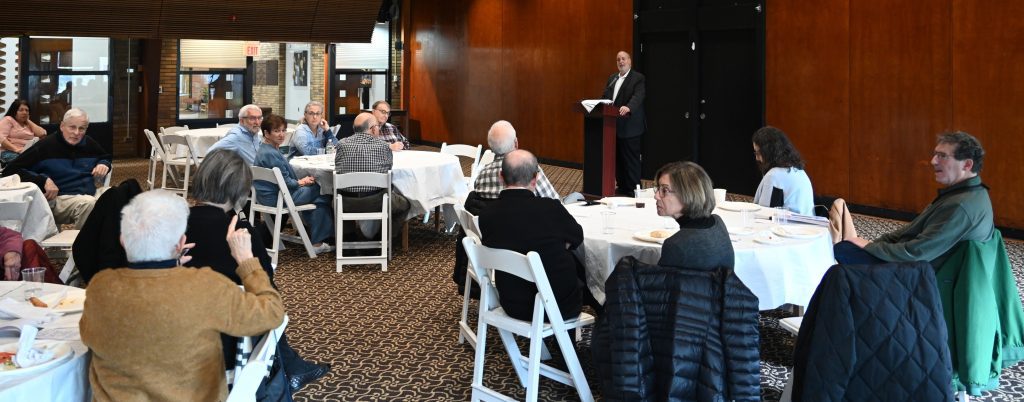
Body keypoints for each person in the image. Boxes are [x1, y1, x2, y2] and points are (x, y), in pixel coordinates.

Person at [80, 190, 285, 402]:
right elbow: (272, 313)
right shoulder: (206, 286)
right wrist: (246, 261)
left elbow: (90, 336)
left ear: (123, 240)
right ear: (181, 243)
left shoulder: (100, 288)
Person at [185, 149, 331, 392]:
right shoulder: (240, 233)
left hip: (178, 329)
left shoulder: (174, 225)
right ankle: (288, 366)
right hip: (231, 334)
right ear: (238, 189)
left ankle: (291, 365)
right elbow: (266, 289)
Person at [834, 131, 993, 268]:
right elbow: (910, 231)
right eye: (935, 154)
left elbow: (916, 253)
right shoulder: (965, 193)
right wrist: (875, 244)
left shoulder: (960, 206)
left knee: (842, 251)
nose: (933, 161)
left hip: (921, 273)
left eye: (942, 156)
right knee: (848, 248)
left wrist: (870, 247)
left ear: (967, 165)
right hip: (916, 260)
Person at [477, 150, 585, 321]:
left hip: (512, 303)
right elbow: (577, 237)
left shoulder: (486, 215)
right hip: (556, 307)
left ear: (501, 177)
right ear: (535, 179)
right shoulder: (550, 208)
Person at [1, 107, 111, 228]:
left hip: (89, 193)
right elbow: (10, 171)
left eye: (82, 128)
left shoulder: (88, 142)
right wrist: (43, 180)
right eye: (72, 127)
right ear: (62, 126)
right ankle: (84, 240)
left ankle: (102, 239)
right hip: (58, 199)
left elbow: (104, 156)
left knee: (117, 196)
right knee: (89, 204)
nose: (77, 133)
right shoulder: (45, 146)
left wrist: (103, 163)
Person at [254, 114, 334, 254]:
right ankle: (319, 240)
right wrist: (301, 182)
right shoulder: (271, 154)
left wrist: (301, 182)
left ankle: (313, 236)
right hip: (280, 197)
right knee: (324, 190)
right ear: (266, 133)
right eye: (277, 131)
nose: (281, 134)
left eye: (283, 130)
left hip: (267, 196)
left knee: (318, 199)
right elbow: (287, 182)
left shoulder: (264, 149)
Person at [334, 112, 410, 239]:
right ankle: (384, 239)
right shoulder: (384, 147)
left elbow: (338, 167)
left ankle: (348, 237)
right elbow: (388, 171)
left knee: (331, 199)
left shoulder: (341, 144)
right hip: (377, 202)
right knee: (405, 205)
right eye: (378, 126)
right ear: (373, 129)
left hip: (346, 203)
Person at [653, 161, 734, 270]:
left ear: (687, 194)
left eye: (664, 190)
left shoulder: (676, 245)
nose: (656, 196)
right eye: (658, 188)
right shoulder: (717, 222)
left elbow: (661, 280)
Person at [473, 120, 559, 200]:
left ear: (491, 147)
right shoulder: (530, 168)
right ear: (516, 143)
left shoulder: (481, 175)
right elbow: (554, 200)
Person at [601, 50, 646, 196]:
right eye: (618, 59)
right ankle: (622, 187)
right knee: (618, 160)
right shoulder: (612, 78)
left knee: (631, 161)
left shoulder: (638, 78)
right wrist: (599, 104)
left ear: (629, 61)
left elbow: (638, 96)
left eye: (623, 59)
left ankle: (634, 191)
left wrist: (628, 107)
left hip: (630, 127)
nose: (621, 61)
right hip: (613, 126)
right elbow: (606, 96)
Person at [751, 126, 815, 215]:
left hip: (790, 223)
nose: (757, 158)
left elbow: (764, 214)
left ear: (768, 151)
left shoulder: (774, 176)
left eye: (758, 153)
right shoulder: (800, 172)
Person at [0, 99, 47, 163]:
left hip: (27, 153)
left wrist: (28, 120)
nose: (24, 112)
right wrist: (17, 149)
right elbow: (1, 138)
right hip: (9, 152)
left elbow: (42, 134)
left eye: (27, 110)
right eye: (21, 110)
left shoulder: (28, 124)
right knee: (30, 162)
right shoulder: (8, 119)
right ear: (14, 111)